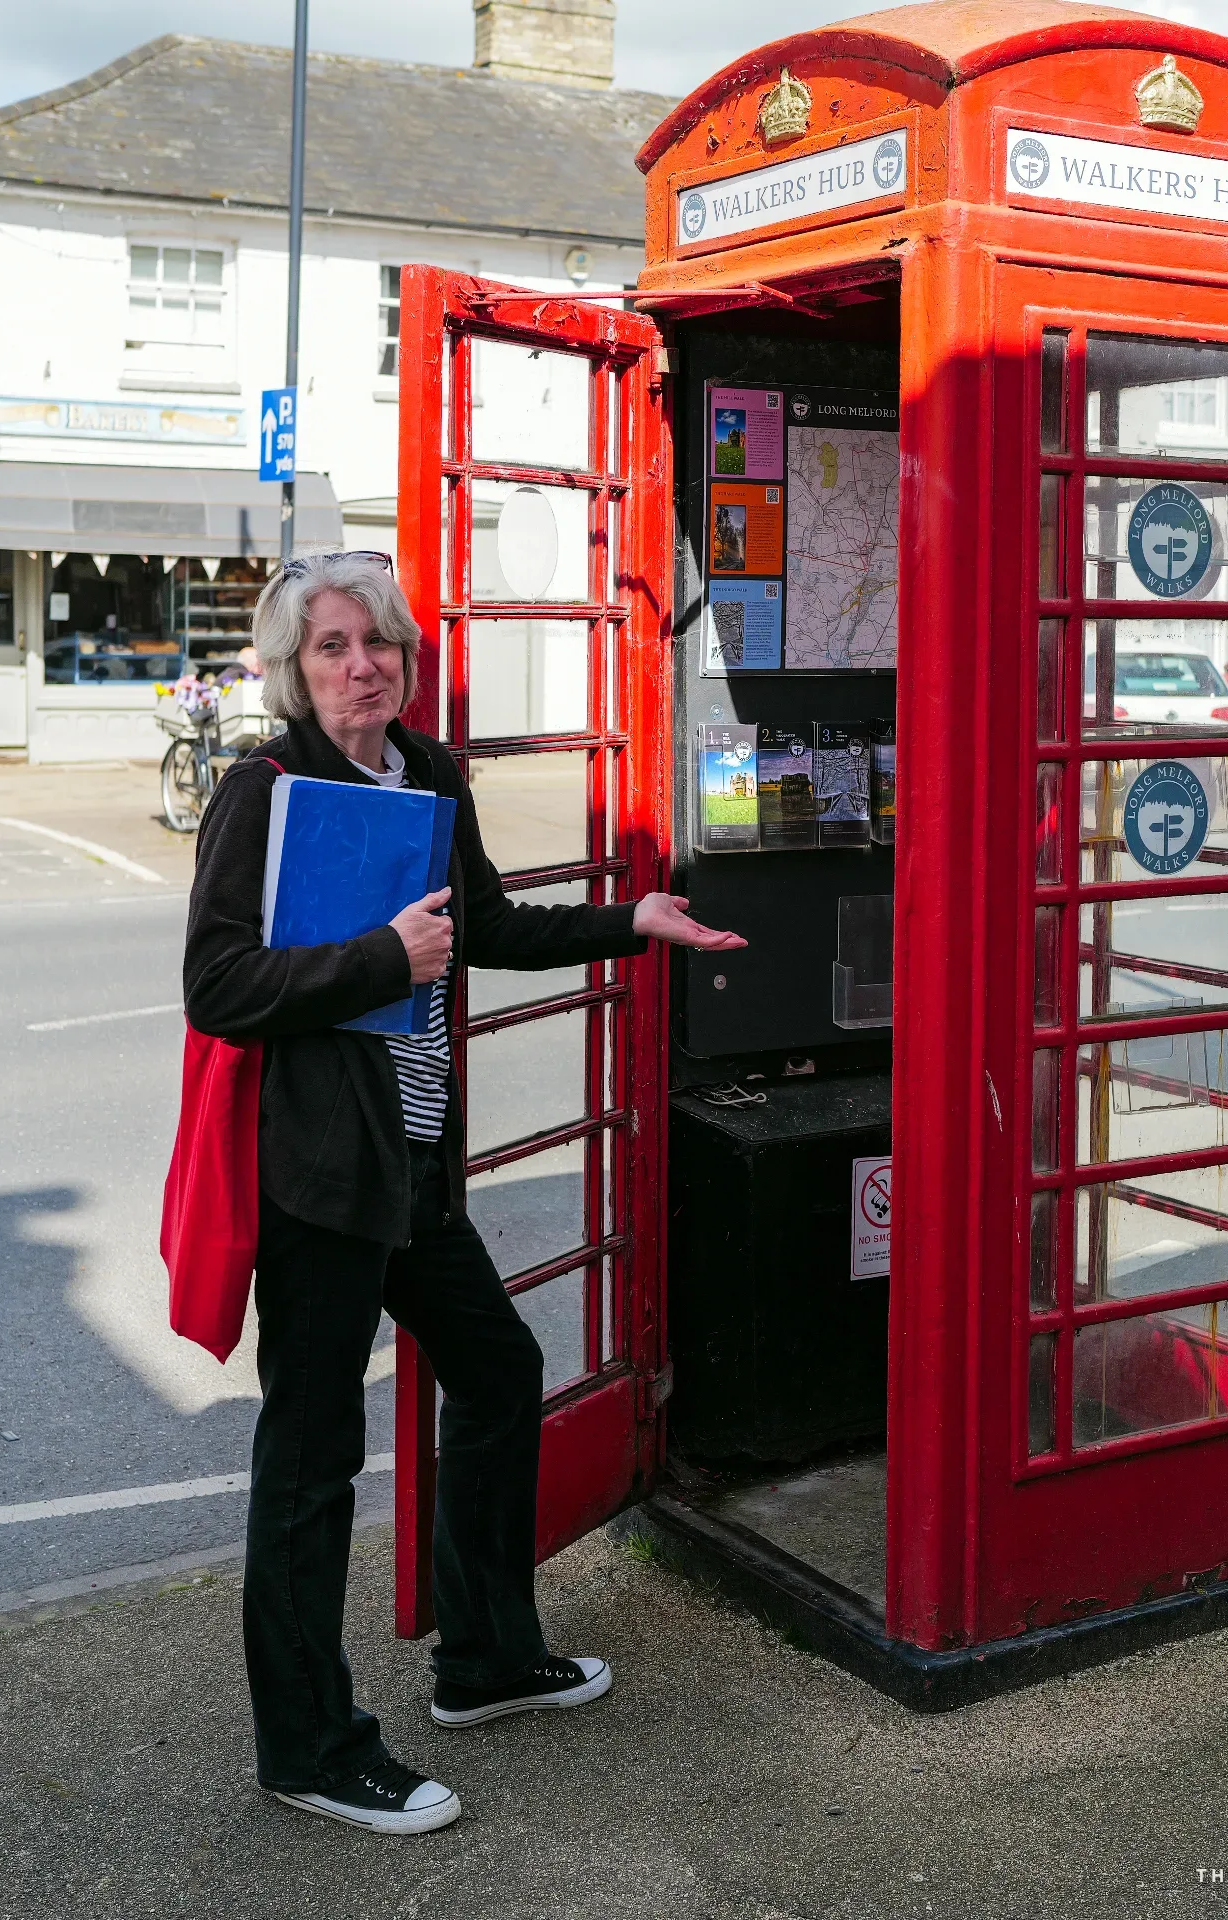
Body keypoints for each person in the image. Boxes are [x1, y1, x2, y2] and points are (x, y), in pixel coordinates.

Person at [182, 553, 744, 1836]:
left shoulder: (431, 773)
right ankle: (310, 1745)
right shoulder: (265, 791)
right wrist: (381, 955)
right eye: (330, 647)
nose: (359, 664)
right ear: (291, 670)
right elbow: (217, 986)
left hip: (417, 1168)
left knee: (496, 1374)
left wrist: (632, 918)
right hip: (320, 1181)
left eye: (377, 642)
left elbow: (481, 923)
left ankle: (482, 1659)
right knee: (313, 1463)